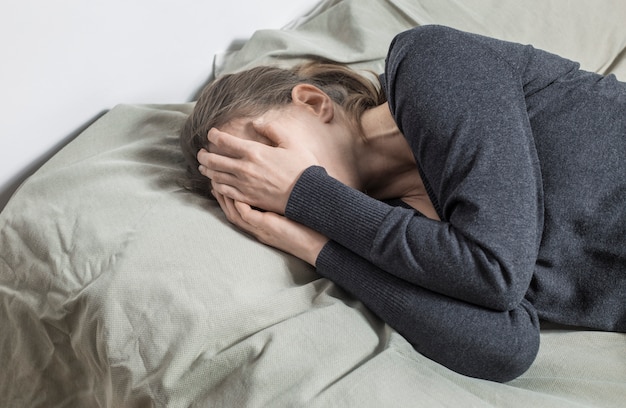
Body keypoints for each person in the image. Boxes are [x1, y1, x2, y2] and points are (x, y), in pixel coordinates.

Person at [179, 25, 626, 382]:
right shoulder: (400, 237)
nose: (271, 184)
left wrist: (305, 191)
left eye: (266, 155)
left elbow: (496, 271)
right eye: (251, 189)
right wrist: (316, 247)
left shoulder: (433, 63)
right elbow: (506, 348)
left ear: (313, 102)